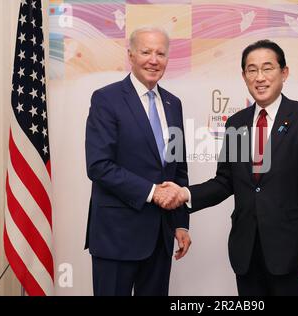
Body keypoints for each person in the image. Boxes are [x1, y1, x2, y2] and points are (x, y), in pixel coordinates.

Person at [162, 39, 298, 296]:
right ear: (244, 76)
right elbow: (225, 182)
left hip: (291, 252)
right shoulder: (236, 123)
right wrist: (185, 194)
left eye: (268, 68)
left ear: (284, 72)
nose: (260, 77)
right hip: (247, 251)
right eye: (252, 70)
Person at [84, 26, 191, 296]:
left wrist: (180, 222)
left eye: (160, 53)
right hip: (116, 236)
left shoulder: (173, 103)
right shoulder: (106, 99)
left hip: (160, 237)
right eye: (146, 52)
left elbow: (178, 167)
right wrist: (153, 192)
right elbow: (99, 165)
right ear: (130, 55)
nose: (153, 60)